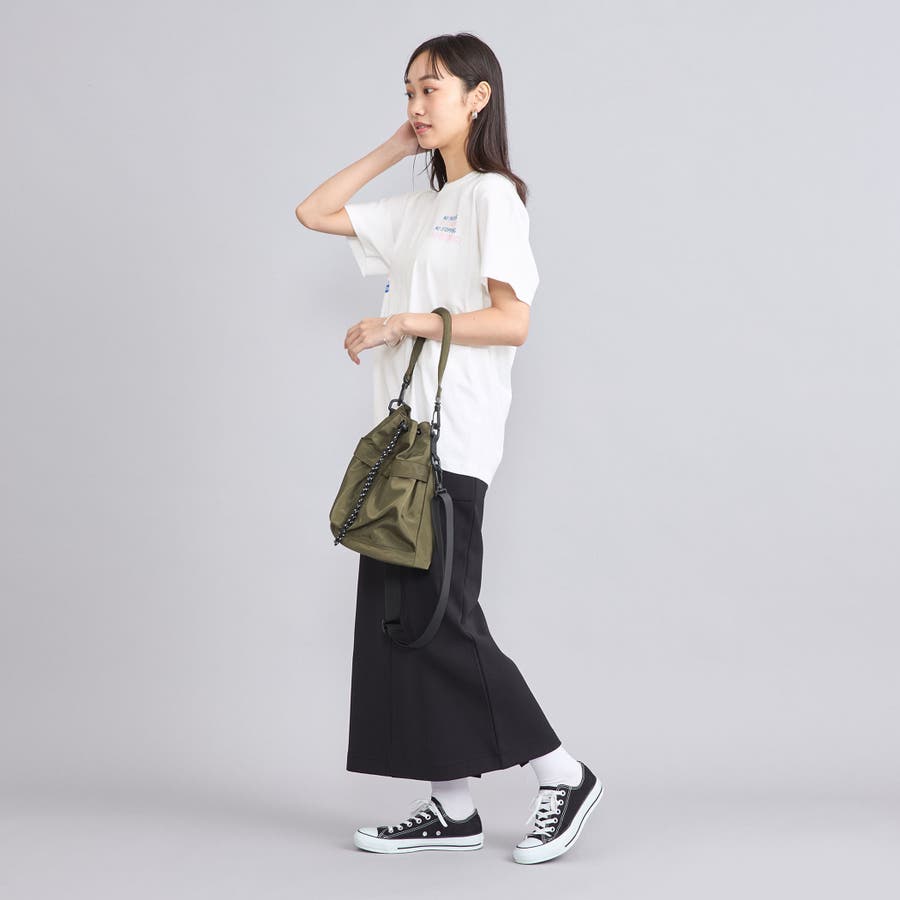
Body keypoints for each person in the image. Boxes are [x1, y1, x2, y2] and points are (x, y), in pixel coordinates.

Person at [295, 32, 603, 865]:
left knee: (444, 619)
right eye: (407, 91)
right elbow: (313, 212)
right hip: (401, 454)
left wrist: (406, 321)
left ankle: (563, 772)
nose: (416, 103)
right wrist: (398, 146)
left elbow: (513, 321)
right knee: (405, 625)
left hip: (452, 443)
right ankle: (453, 806)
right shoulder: (421, 207)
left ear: (479, 97)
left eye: (430, 89)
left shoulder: (494, 198)